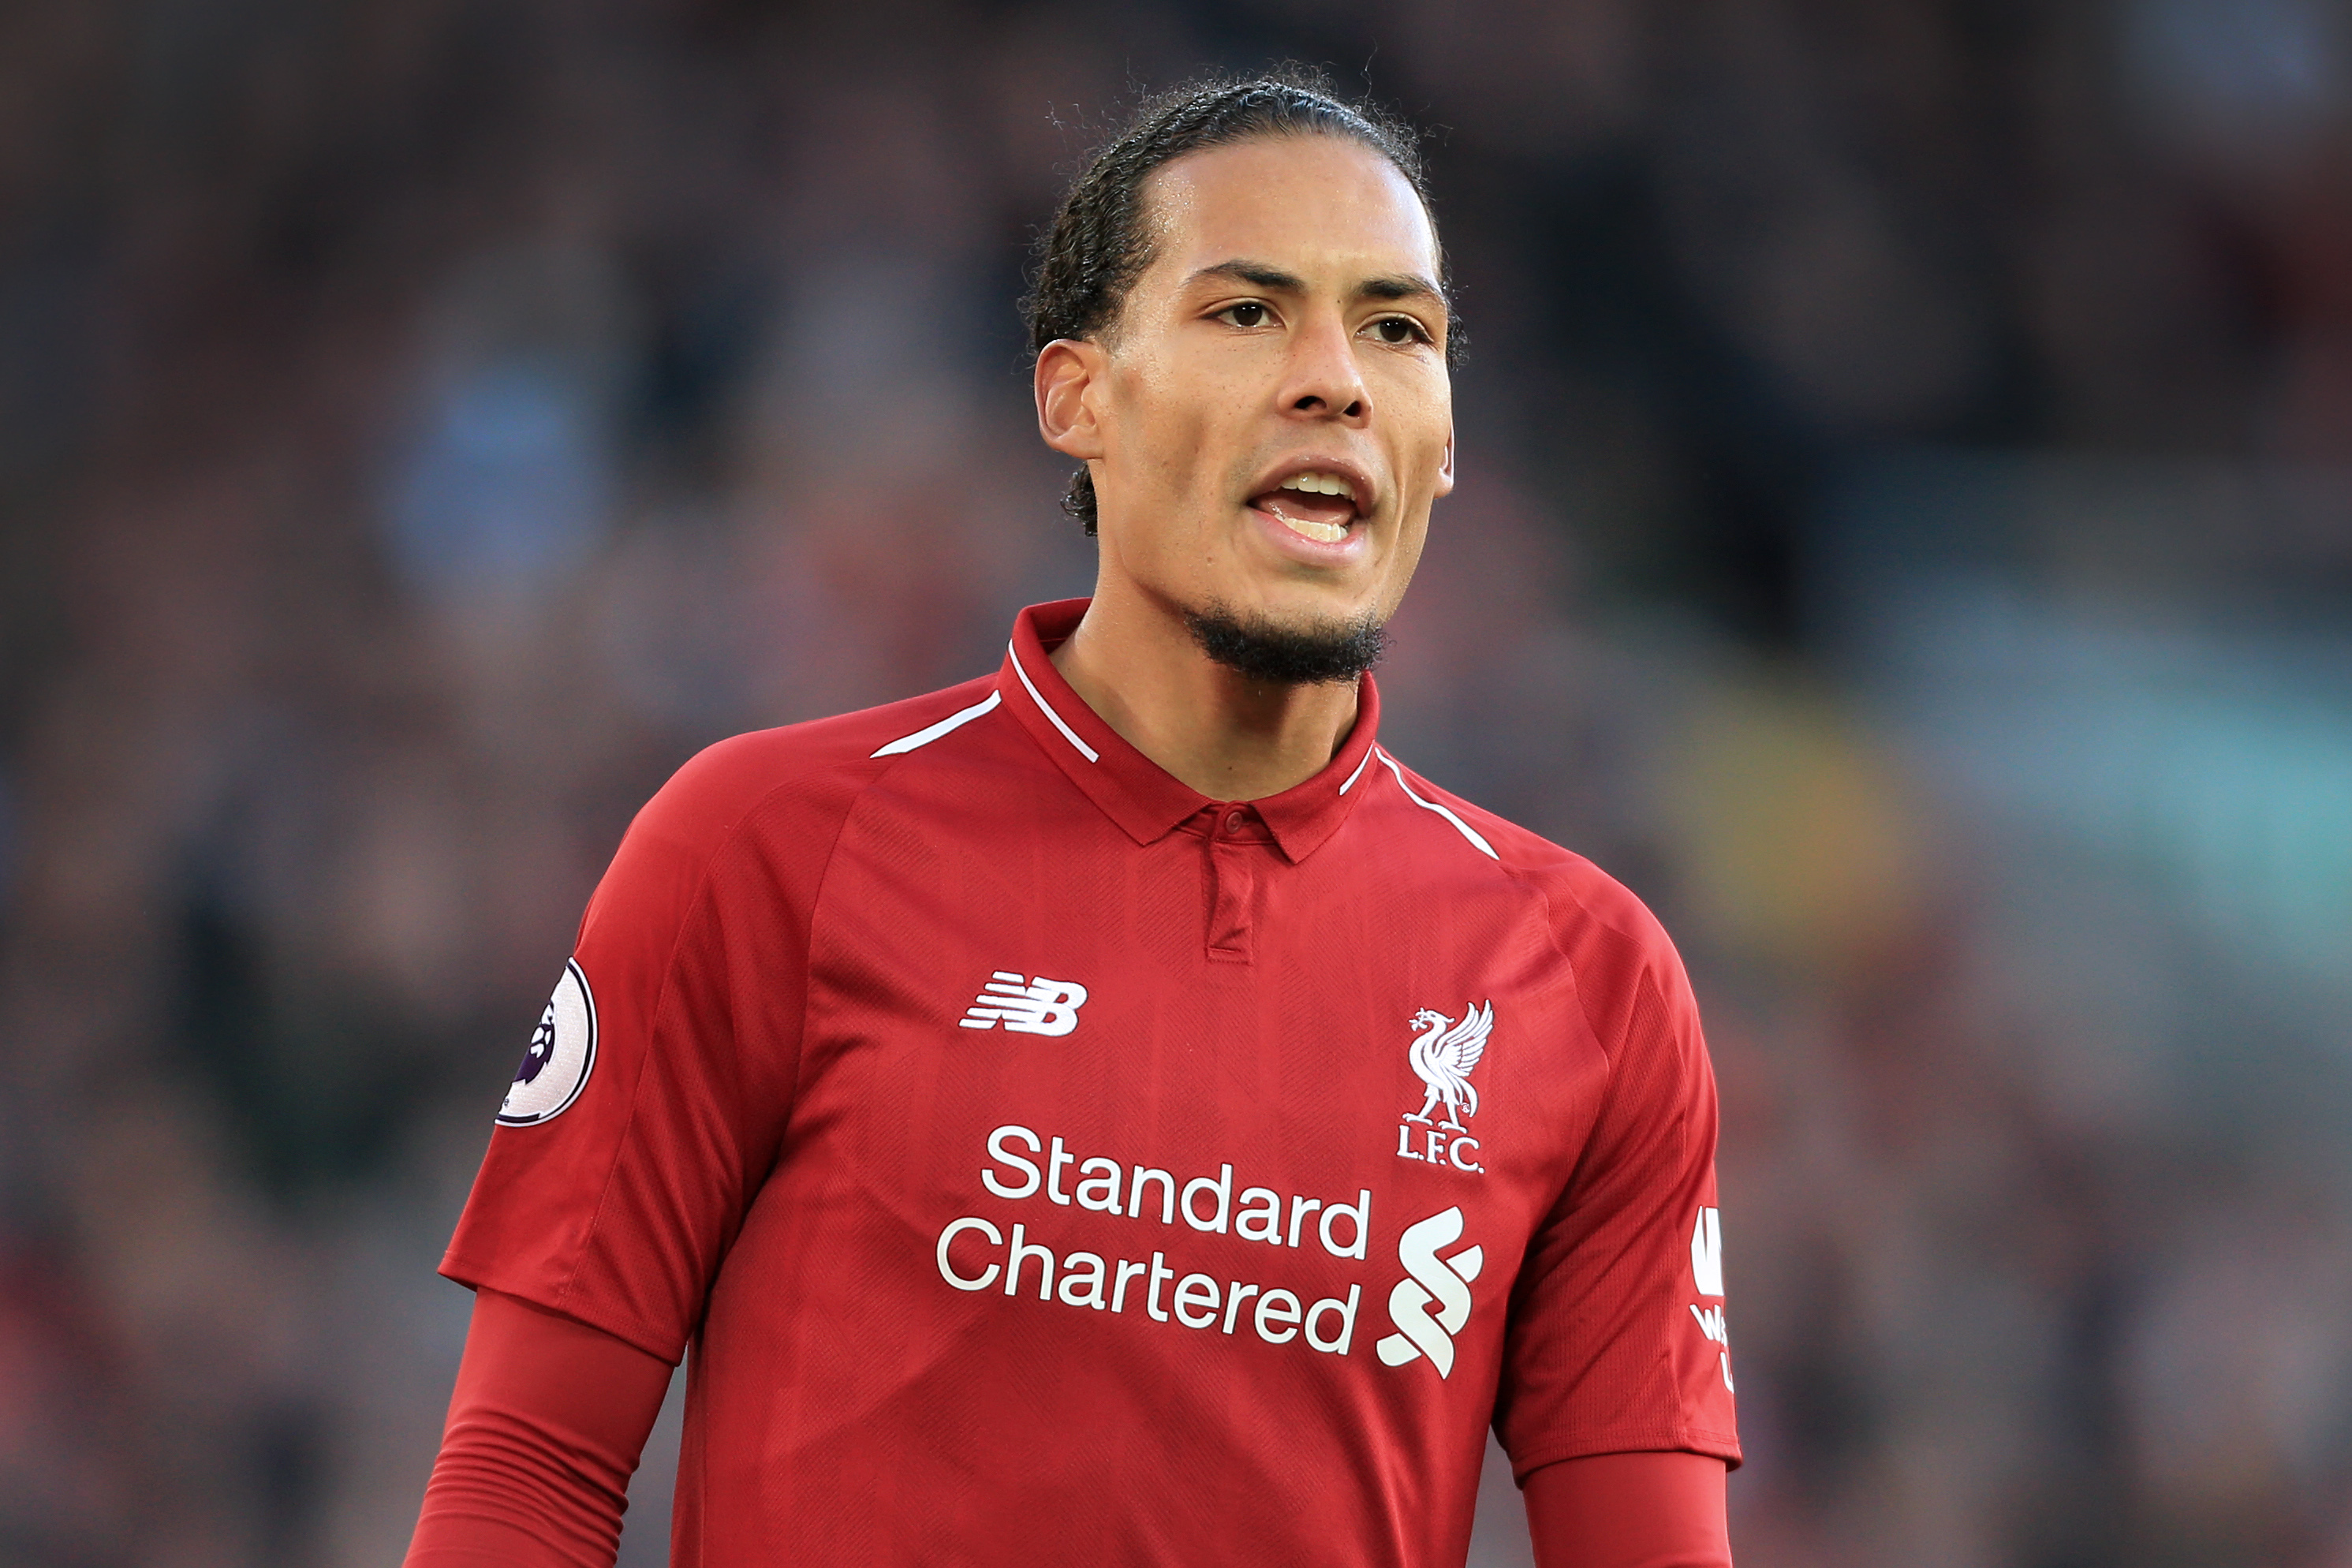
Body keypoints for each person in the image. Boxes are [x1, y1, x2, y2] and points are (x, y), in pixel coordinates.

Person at [405, 74, 1738, 1568]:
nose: (1336, 380)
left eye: (1397, 329)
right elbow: (524, 1476)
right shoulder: (765, 846)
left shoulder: (1591, 982)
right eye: (1246, 313)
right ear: (1076, 398)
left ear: (1438, 443)